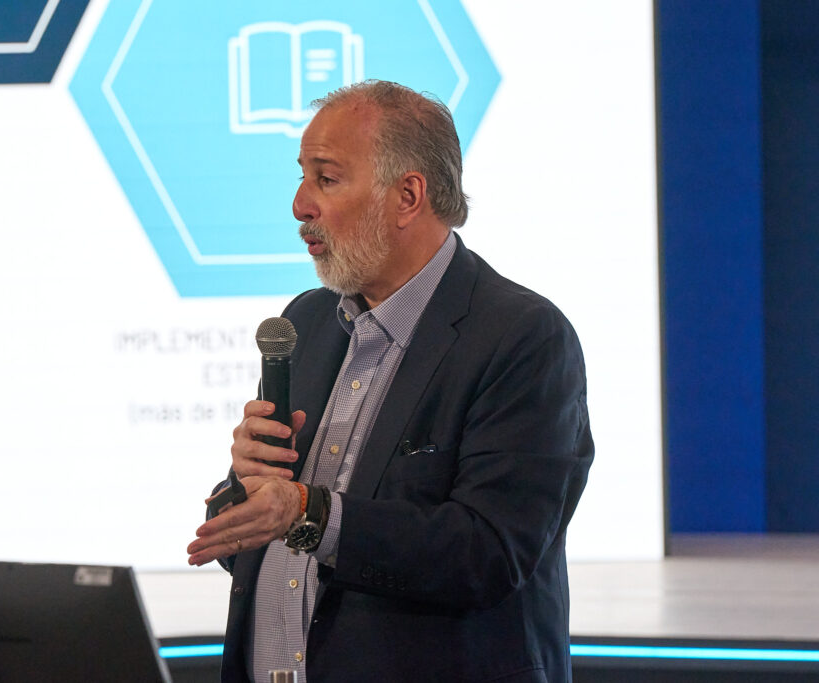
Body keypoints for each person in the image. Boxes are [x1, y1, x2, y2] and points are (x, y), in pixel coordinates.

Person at [187, 80, 593, 683]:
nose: (300, 205)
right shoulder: (308, 321)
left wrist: (305, 512)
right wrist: (244, 493)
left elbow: (487, 553)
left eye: (326, 179)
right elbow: (269, 554)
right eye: (301, 177)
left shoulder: (522, 337)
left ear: (407, 196)